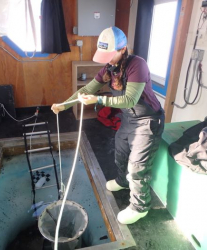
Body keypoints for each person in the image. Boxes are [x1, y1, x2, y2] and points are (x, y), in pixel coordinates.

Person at [51, 26, 165, 224]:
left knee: (137, 166)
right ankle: (122, 182)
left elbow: (129, 100)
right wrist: (64, 104)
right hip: (129, 119)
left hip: (148, 120)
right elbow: (87, 88)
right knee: (120, 152)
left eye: (110, 55)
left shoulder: (137, 65)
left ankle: (140, 206)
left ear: (123, 49)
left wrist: (98, 100)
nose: (107, 59)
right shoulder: (110, 68)